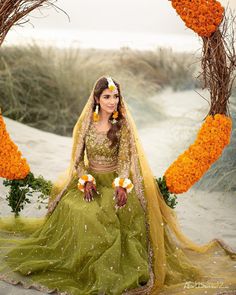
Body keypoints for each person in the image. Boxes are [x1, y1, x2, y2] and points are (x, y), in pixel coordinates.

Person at [0, 76, 236, 295]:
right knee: (81, 211)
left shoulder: (121, 125)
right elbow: (77, 161)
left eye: (116, 97)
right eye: (107, 97)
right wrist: (85, 180)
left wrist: (122, 185)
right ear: (97, 99)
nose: (112, 102)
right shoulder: (85, 124)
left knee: (119, 210)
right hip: (90, 181)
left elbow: (124, 161)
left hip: (115, 180)